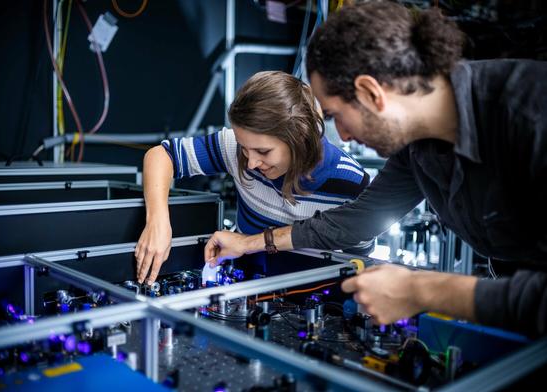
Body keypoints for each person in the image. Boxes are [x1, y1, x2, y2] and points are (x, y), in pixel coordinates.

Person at [204, 2, 547, 337]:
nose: (345, 135)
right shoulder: (418, 147)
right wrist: (249, 243)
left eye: (336, 115)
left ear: (371, 92)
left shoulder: (531, 113)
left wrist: (423, 290)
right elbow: (356, 221)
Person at [135, 70, 372, 285]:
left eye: (263, 151)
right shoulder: (237, 148)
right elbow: (161, 155)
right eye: (244, 148)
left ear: (299, 137)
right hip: (247, 287)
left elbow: (359, 265)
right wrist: (157, 221)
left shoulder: (351, 184)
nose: (250, 163)